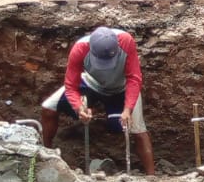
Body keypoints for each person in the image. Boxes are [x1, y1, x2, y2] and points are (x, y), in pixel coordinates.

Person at [39, 26, 157, 174]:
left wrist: (128, 109)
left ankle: (151, 176)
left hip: (121, 87)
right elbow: (71, 85)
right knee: (48, 108)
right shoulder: (80, 48)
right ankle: (46, 157)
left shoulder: (126, 41)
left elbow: (134, 78)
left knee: (137, 130)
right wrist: (79, 107)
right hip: (91, 83)